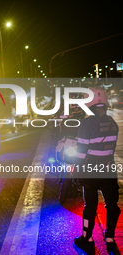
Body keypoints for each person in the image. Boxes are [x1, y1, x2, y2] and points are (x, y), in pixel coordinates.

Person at [73, 87, 120, 254]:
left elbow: (81, 151)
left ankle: (87, 238)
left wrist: (77, 171)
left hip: (90, 171)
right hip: (108, 169)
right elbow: (111, 148)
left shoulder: (86, 124)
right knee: (112, 205)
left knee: (90, 206)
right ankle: (110, 238)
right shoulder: (112, 123)